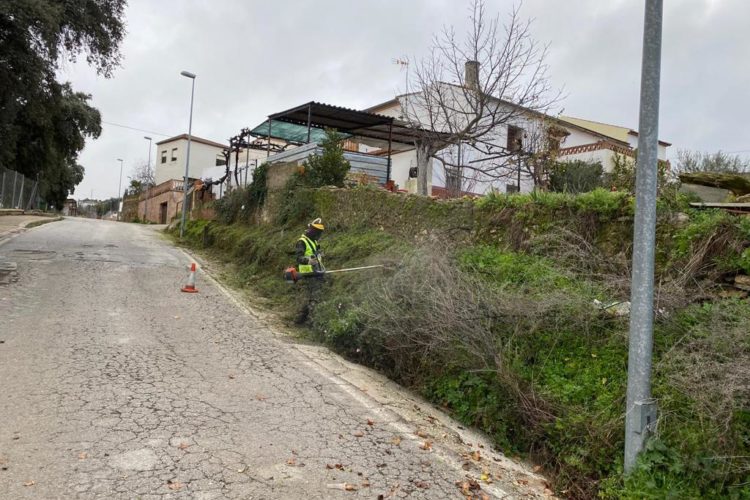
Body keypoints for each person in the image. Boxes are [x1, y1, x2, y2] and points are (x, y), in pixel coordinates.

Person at [294, 218, 325, 323]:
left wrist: (320, 254)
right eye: (316, 231)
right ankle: (299, 321)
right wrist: (308, 261)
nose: (318, 234)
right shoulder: (301, 242)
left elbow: (316, 254)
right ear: (311, 229)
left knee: (315, 298)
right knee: (304, 300)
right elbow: (298, 258)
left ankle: (311, 322)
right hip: (305, 275)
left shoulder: (314, 241)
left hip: (316, 274)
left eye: (319, 232)